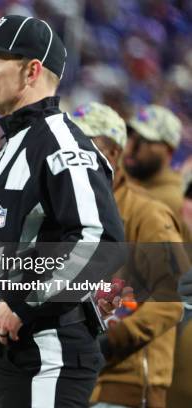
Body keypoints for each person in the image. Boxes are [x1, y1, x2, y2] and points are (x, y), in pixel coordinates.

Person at [0, 15, 125, 407]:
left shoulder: (60, 141)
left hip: (49, 353)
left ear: (32, 70)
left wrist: (21, 301)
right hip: (8, 352)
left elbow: (100, 241)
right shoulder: (12, 148)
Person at [70, 101, 189, 408]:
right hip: (73, 377)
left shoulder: (148, 214)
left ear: (112, 154)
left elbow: (170, 300)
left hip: (127, 383)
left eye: (82, 144)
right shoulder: (66, 206)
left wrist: (113, 341)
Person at [123, 104, 192, 246]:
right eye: (130, 136)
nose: (131, 147)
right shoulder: (125, 178)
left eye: (145, 141)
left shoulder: (172, 201)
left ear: (169, 151)